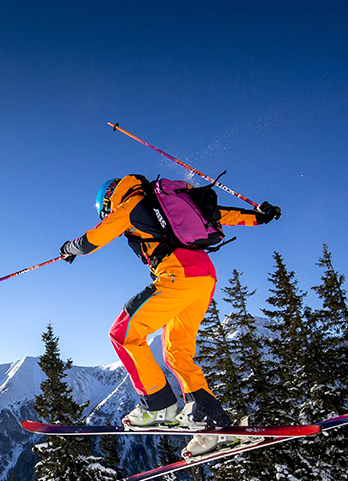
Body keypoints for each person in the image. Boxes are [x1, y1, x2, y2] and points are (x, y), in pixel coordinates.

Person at [60, 174, 281, 458]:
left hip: (179, 273)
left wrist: (69, 249)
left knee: (123, 333)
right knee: (177, 353)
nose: (107, 212)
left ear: (110, 198)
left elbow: (93, 239)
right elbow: (220, 214)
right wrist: (258, 217)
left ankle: (157, 404)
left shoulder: (129, 206)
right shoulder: (172, 202)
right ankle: (211, 421)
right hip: (205, 277)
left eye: (105, 208)